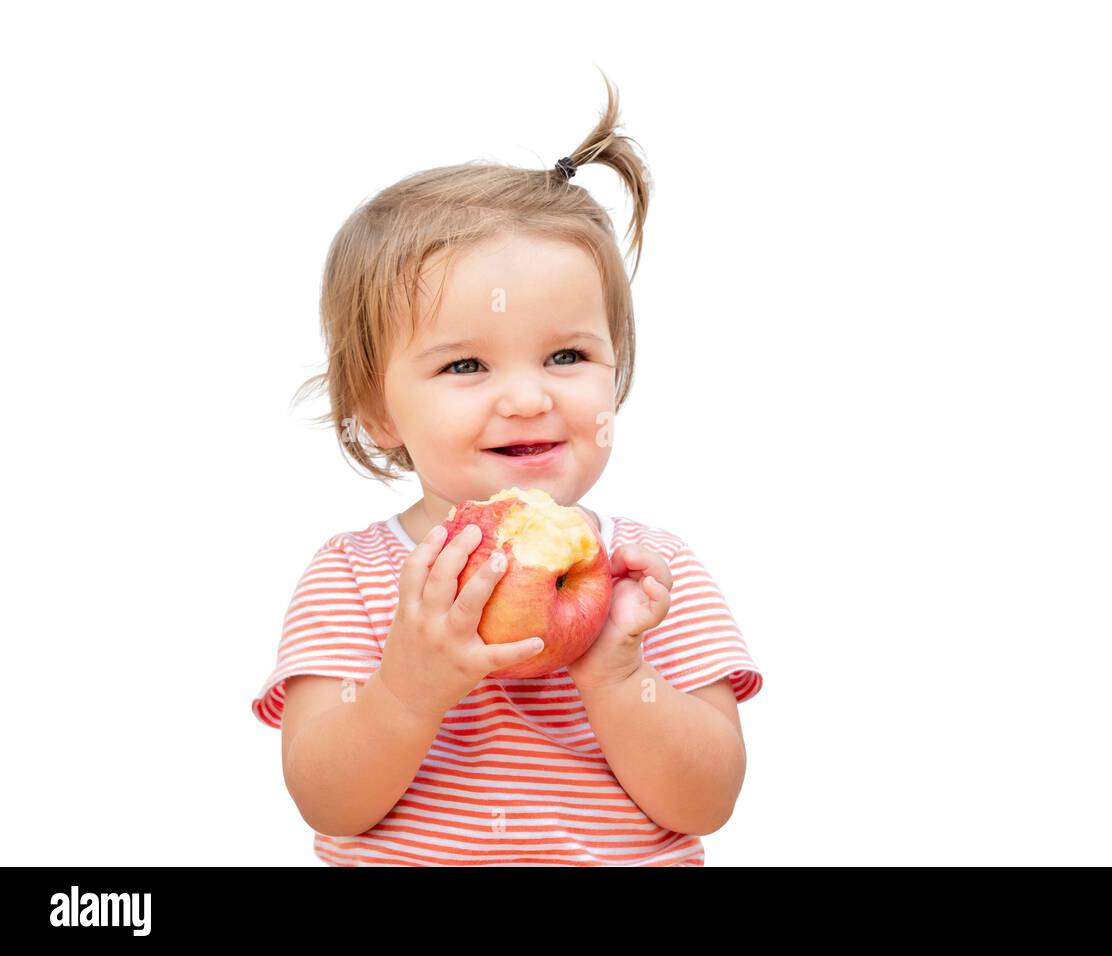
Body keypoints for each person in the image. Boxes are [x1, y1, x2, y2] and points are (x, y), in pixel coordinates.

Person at [250, 69, 763, 866]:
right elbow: (328, 802)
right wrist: (408, 687)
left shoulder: (650, 578)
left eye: (567, 355)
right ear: (377, 408)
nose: (527, 398)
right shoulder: (352, 576)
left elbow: (708, 803)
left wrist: (618, 674)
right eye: (465, 367)